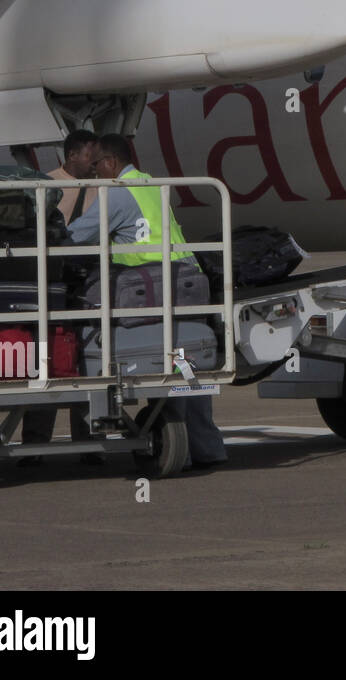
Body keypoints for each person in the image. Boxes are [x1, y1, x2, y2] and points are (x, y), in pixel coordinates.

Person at [68, 134, 227, 469]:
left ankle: (176, 450)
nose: (95, 174)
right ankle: (208, 449)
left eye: (96, 167)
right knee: (188, 366)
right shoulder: (151, 184)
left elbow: (79, 235)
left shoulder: (117, 193)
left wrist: (45, 234)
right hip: (189, 283)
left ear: (110, 163)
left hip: (155, 289)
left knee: (163, 365)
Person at [20, 131, 101, 466]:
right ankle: (35, 445)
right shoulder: (45, 184)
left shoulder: (102, 187)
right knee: (50, 361)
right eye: (89, 158)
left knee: (88, 364)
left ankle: (90, 443)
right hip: (54, 288)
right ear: (70, 156)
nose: (95, 165)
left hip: (88, 288)